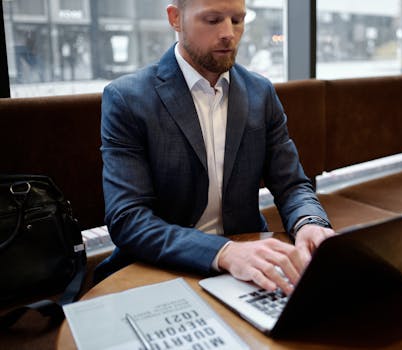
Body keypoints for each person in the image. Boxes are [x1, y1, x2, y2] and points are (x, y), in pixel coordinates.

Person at [95, 0, 335, 295]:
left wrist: (309, 223)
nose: (228, 34)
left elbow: (292, 185)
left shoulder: (261, 93)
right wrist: (224, 252)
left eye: (237, 20)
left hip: (248, 265)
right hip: (162, 267)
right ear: (175, 18)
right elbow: (128, 219)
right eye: (212, 20)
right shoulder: (128, 99)